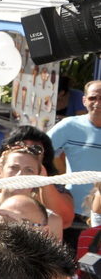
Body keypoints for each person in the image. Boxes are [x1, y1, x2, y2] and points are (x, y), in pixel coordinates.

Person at [49, 80, 101, 217]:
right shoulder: (69, 126)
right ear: (84, 101)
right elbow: (41, 151)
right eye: (92, 98)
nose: (97, 102)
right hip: (74, 211)